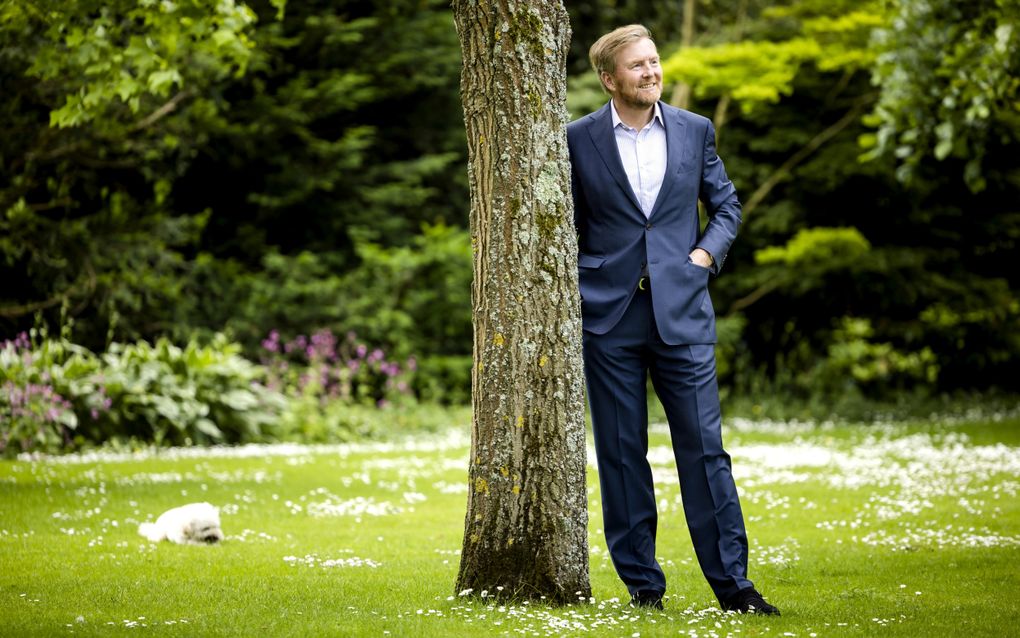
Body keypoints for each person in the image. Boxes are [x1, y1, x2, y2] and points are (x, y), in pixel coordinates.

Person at [566, 24, 779, 615]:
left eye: (654, 61)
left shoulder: (694, 130)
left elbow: (726, 204)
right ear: (609, 79)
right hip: (609, 320)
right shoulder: (577, 140)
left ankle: (734, 587)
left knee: (705, 451)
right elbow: (570, 224)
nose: (651, 72)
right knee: (621, 452)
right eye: (636, 66)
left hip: (683, 314)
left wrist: (704, 256)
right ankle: (644, 589)